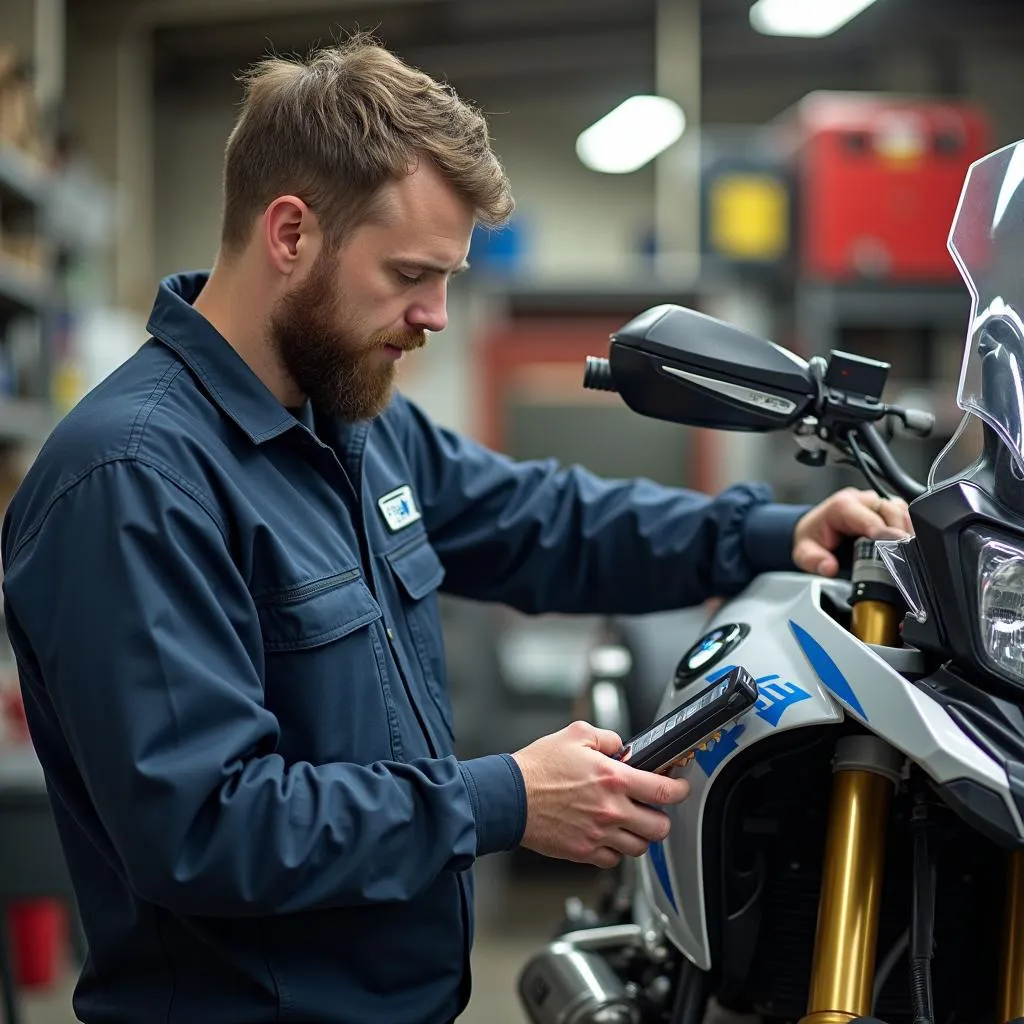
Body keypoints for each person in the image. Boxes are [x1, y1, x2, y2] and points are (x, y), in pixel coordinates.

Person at [0, 35, 911, 1024]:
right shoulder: (133, 477)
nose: (435, 314)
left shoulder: (350, 420)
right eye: (408, 273)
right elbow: (205, 827)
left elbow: (540, 520)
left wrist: (775, 533)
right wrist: (506, 799)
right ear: (291, 233)